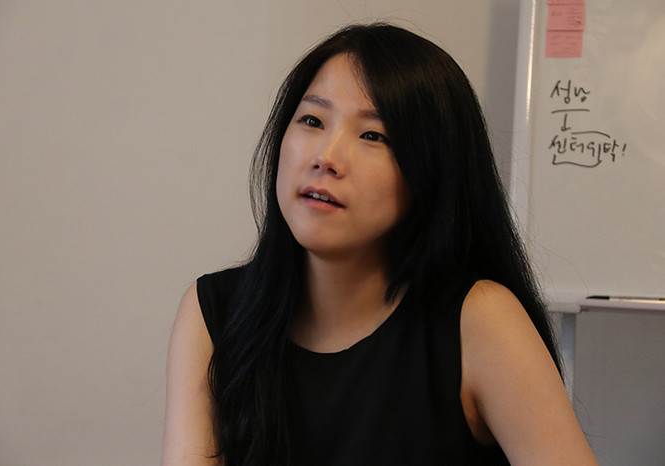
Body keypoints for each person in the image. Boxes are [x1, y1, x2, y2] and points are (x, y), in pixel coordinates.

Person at [161, 23, 598, 465]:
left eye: (373, 135)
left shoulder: (480, 320)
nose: (326, 157)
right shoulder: (215, 312)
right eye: (312, 120)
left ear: (431, 170)